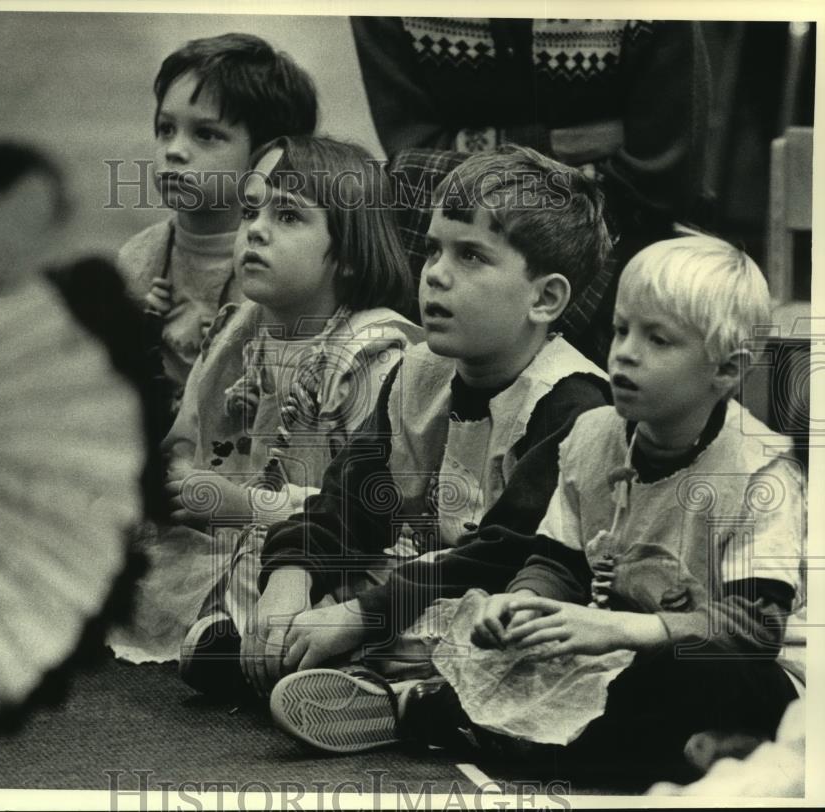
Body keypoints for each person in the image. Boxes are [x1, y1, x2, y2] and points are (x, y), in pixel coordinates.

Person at [269, 234, 806, 788]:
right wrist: (522, 604)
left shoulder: (760, 474)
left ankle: (441, 715)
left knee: (697, 681)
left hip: (727, 667)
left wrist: (616, 627)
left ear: (726, 370)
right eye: (621, 330)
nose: (624, 352)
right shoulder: (594, 437)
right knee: (485, 622)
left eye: (658, 340)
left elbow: (755, 629)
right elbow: (558, 562)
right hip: (612, 655)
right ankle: (473, 719)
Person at [206, 145, 614, 699]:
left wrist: (358, 615)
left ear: (545, 298)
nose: (436, 277)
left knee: (483, 626)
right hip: (422, 576)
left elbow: (503, 555)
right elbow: (344, 503)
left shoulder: (572, 403)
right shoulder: (418, 371)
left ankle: (383, 690)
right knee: (272, 550)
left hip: (503, 590)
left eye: (470, 256)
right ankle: (312, 657)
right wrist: (291, 578)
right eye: (432, 251)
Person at [109, 135, 422, 665]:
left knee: (362, 591)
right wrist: (177, 480)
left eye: (288, 217)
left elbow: (377, 513)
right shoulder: (238, 331)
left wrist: (245, 507)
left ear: (347, 254)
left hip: (333, 554)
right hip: (233, 544)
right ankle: (227, 638)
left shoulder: (374, 352)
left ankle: (254, 646)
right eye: (250, 210)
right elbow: (186, 440)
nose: (255, 229)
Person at [351, 17, 711, 362]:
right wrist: (565, 143)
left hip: (619, 254)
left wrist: (478, 148)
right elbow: (417, 162)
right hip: (462, 252)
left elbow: (661, 181)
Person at [117, 32, 318, 394]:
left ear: (266, 157)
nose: (173, 151)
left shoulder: (286, 269)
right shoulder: (136, 260)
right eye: (166, 129)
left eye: (205, 135)